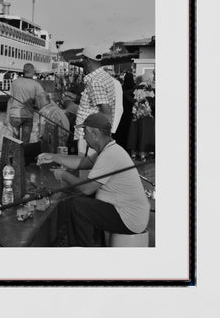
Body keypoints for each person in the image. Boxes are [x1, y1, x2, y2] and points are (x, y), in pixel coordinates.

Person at [36, 113, 150, 247]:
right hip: (126, 211)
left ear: (95, 133)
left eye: (85, 133)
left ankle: (83, 253)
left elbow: (87, 188)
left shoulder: (110, 155)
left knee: (77, 206)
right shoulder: (109, 149)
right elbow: (82, 162)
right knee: (82, 202)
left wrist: (64, 175)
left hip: (129, 218)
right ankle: (94, 243)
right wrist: (54, 157)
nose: (84, 137)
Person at [74, 45, 117, 157]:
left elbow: (106, 110)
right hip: (93, 133)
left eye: (83, 59)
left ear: (87, 60)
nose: (82, 61)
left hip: (91, 135)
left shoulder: (95, 81)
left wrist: (105, 137)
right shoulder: (104, 76)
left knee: (86, 167)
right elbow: (96, 103)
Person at [25, 92, 71, 164]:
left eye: (36, 102)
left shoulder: (45, 113)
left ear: (39, 102)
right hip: (63, 145)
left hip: (53, 147)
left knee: (24, 150)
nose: (36, 105)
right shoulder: (57, 110)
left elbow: (43, 136)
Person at [6, 63, 46, 143]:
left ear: (23, 71)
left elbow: (10, 101)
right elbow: (43, 103)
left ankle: (15, 154)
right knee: (25, 142)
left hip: (14, 115)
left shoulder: (15, 82)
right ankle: (23, 154)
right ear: (33, 72)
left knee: (15, 141)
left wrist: (7, 118)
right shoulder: (36, 85)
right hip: (28, 116)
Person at [115, 71, 135, 150]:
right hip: (131, 112)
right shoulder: (134, 89)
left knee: (121, 130)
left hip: (122, 112)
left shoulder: (122, 87)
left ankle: (120, 145)